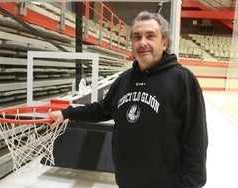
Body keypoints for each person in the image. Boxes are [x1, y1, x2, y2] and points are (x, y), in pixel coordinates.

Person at [48, 11, 208, 188]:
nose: (142, 43)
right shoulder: (124, 79)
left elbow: (196, 138)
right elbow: (101, 109)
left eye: (150, 36)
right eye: (137, 37)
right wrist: (66, 113)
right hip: (126, 181)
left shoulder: (182, 80)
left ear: (164, 42)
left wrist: (191, 184)